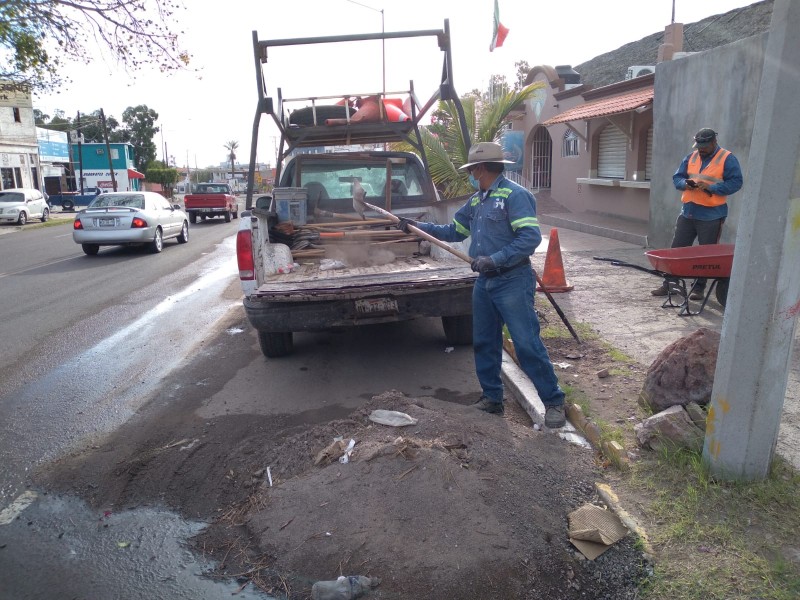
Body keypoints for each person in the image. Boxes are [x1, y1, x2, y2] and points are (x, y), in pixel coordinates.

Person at [398, 141, 566, 428]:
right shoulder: (478, 200)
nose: (471, 174)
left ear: (480, 168)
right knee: (485, 342)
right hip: (485, 282)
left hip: (512, 279)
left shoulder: (515, 196)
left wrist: (496, 258)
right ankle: (492, 399)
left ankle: (553, 402)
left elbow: (530, 238)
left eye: (472, 169)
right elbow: (453, 230)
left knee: (526, 343)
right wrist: (417, 227)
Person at [652, 128, 743, 300]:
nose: (701, 149)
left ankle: (698, 289)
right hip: (688, 212)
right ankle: (670, 284)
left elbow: (736, 182)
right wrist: (684, 184)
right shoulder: (691, 157)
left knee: (704, 255)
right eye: (699, 145)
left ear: (714, 142)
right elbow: (677, 177)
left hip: (711, 215)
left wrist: (713, 188)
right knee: (677, 249)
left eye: (705, 146)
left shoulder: (727, 158)